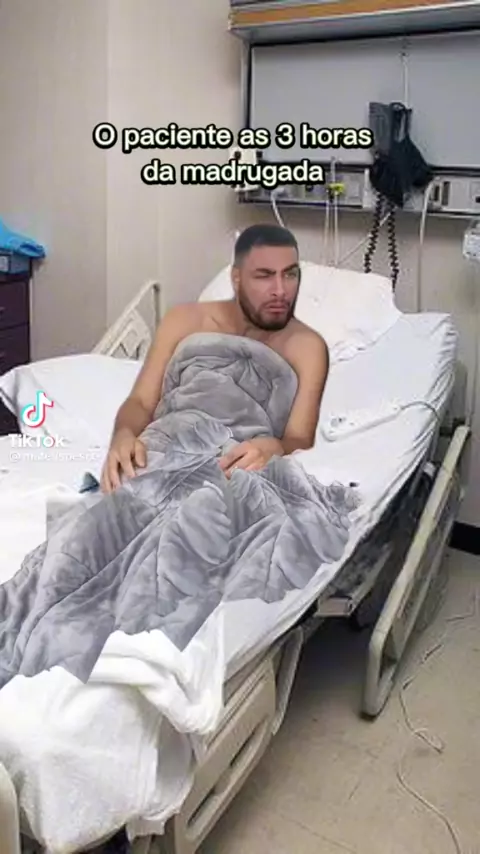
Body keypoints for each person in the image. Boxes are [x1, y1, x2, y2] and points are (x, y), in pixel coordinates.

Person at [100, 223, 329, 493]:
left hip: (237, 468)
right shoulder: (184, 321)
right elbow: (140, 402)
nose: (280, 290)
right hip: (166, 447)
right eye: (264, 276)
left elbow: (299, 439)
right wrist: (123, 435)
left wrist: (275, 448)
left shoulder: (307, 348)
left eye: (290, 275)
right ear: (236, 278)